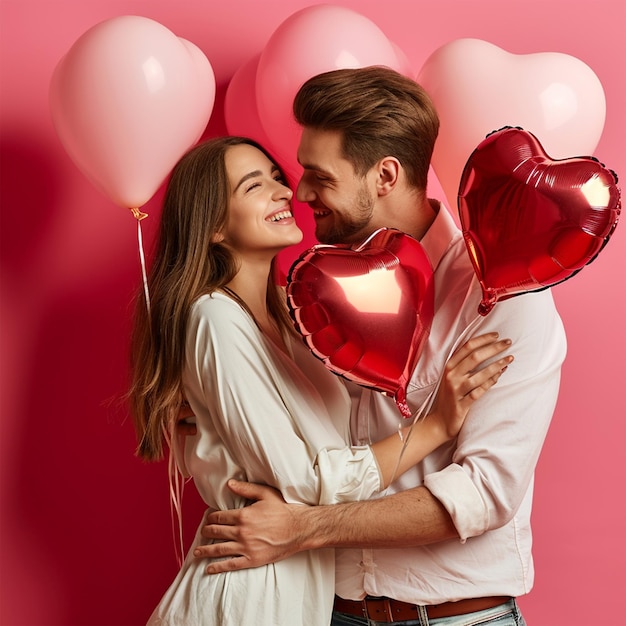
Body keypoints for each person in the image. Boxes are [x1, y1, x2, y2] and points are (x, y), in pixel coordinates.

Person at [194, 68, 567, 625]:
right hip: (332, 612)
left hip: (455, 618)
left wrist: (301, 529)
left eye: (319, 176)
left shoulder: (501, 296)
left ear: (385, 175)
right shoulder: (311, 291)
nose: (301, 194)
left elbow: (485, 492)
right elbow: (290, 448)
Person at [128, 135, 513, 625]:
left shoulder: (290, 318)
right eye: (253, 185)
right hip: (248, 594)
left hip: (302, 595)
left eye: (276, 177)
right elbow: (306, 481)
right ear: (214, 227)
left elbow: (333, 444)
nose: (284, 191)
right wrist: (435, 425)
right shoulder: (214, 318)